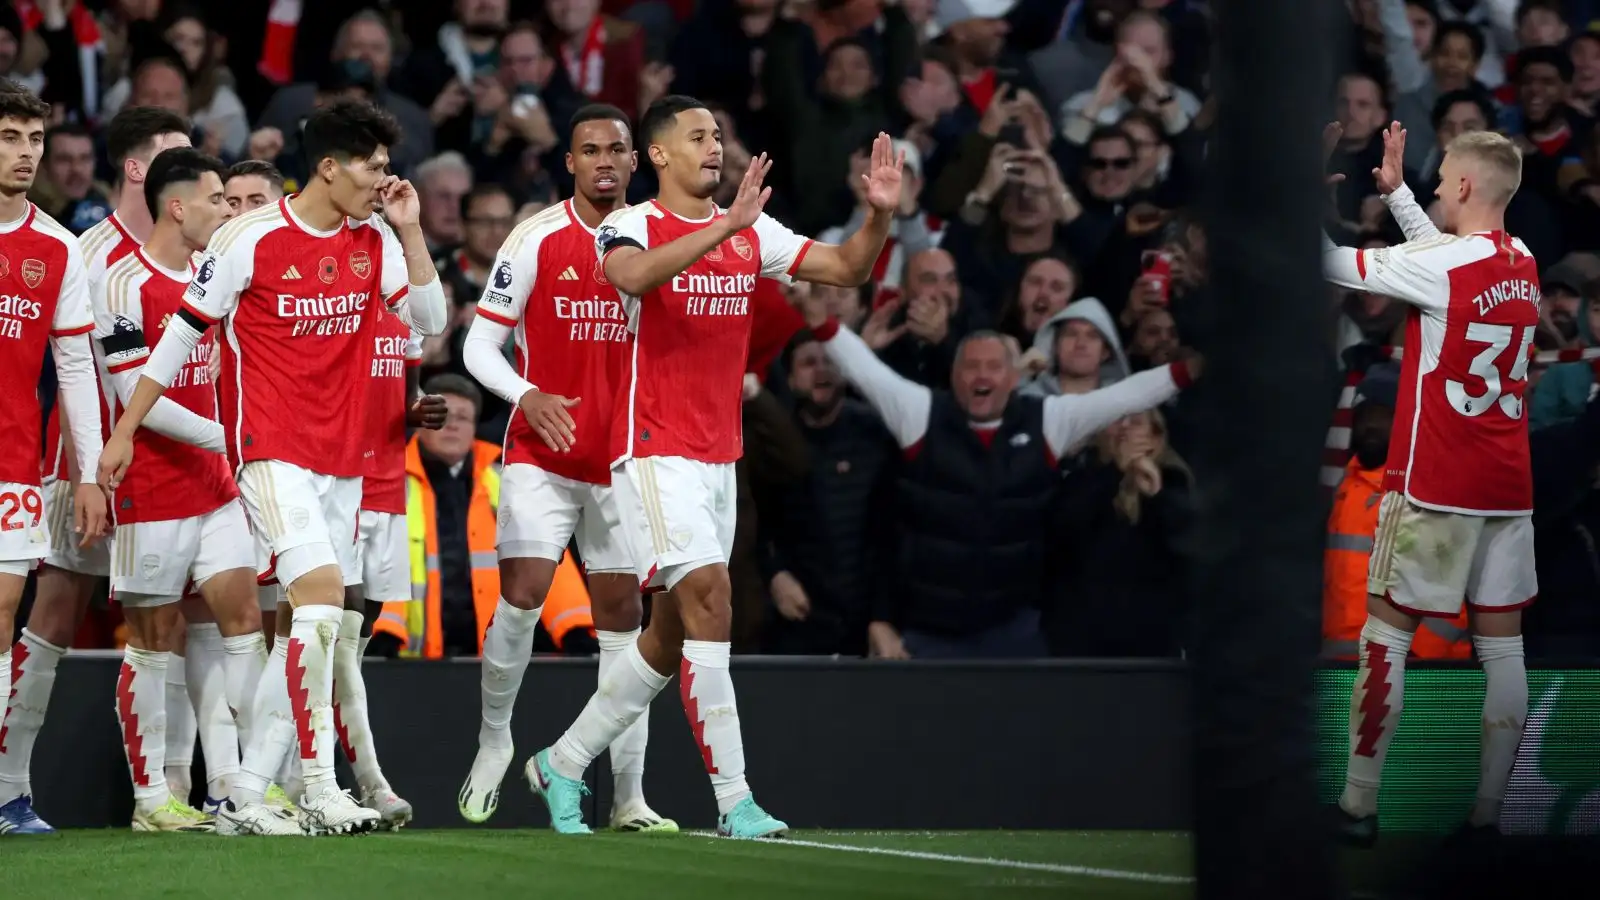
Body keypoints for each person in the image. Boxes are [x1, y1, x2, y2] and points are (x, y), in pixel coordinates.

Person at [525, 94, 900, 839]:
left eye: (718, 135)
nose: (714, 146)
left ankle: (562, 762)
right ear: (657, 155)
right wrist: (724, 228)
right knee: (711, 597)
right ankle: (736, 800)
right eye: (697, 136)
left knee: (668, 637)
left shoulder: (749, 230)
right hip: (653, 449)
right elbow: (630, 279)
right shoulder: (631, 223)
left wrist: (879, 214)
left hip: (717, 457)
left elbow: (847, 270)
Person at [97, 99, 449, 838]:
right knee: (319, 600)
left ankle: (251, 788)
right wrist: (124, 428)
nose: (385, 179)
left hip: (344, 463)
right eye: (375, 166)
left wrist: (412, 229)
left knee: (314, 622)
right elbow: (179, 339)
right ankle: (311, 784)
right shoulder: (248, 238)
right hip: (268, 453)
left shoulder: (376, 238)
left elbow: (428, 322)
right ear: (330, 167)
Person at [457, 103, 675, 832]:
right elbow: (478, 349)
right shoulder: (536, 237)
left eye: (618, 149)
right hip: (543, 454)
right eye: (591, 150)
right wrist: (529, 392)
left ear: (636, 161)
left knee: (625, 620)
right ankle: (495, 740)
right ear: (571, 163)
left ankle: (630, 796)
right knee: (521, 595)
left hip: (625, 459)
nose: (606, 161)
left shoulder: (656, 237)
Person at [1322, 121, 1539, 845]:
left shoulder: (1445, 267)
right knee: (1503, 649)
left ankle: (1358, 804)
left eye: (1445, 177)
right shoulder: (1526, 262)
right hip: (1506, 488)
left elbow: (1329, 261)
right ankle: (1487, 816)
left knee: (1385, 637)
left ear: (1469, 186)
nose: (1439, 186)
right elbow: (1449, 261)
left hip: (1435, 485)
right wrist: (1402, 196)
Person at [1, 106, 195, 834]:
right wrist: (83, 469)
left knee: (177, 617)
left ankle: (171, 790)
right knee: (51, 615)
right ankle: (11, 785)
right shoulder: (86, 252)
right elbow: (72, 370)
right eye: (176, 156)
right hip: (74, 469)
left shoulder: (200, 256)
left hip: (174, 472)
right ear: (139, 168)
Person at [92, 147, 273, 832]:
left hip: (216, 487)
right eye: (216, 200)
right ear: (176, 206)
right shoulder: (119, 285)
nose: (226, 210)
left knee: (243, 624)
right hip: (152, 489)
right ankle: (151, 800)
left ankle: (245, 783)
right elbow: (137, 397)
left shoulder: (212, 276)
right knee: (153, 638)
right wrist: (231, 436)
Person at [0, 80, 109, 836]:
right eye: (10, 137)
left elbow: (74, 368)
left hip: (12, 460)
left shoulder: (58, 248)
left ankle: (5, 791)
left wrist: (92, 472)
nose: (24, 154)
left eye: (33, 141)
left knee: (4, 611)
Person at [335, 271, 448, 831]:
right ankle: (369, 782)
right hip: (334, 484)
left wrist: (418, 412)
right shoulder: (326, 294)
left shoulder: (402, 304)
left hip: (386, 484)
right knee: (337, 624)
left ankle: (307, 778)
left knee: (351, 645)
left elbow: (406, 396)